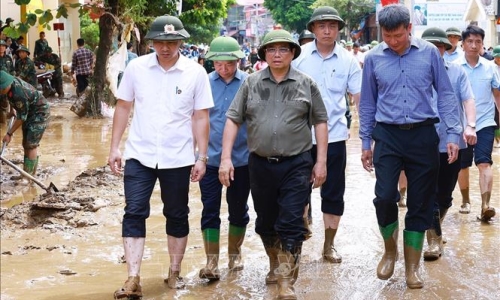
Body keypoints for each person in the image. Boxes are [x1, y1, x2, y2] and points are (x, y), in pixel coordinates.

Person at [108, 15, 213, 299]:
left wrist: (202, 157)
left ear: (180, 41)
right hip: (139, 154)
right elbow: (123, 106)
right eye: (160, 42)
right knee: (134, 211)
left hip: (178, 157)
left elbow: (201, 116)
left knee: (177, 213)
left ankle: (174, 272)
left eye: (171, 42)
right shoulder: (136, 68)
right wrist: (114, 147)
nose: (165, 47)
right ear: (152, 42)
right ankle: (133, 278)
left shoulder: (195, 73)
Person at [219, 29, 328, 300]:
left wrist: (321, 162)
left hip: (297, 163)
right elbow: (233, 119)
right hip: (260, 164)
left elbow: (320, 122)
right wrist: (225, 158)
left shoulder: (306, 84)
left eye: (283, 49)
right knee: (266, 222)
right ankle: (275, 262)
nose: (277, 54)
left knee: (291, 220)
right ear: (264, 54)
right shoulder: (251, 83)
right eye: (271, 49)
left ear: (292, 53)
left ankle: (286, 282)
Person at [359, 4, 461, 289]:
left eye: (398, 36)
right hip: (388, 135)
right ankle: (390, 252)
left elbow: (445, 94)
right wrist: (365, 141)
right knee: (384, 195)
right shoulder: (373, 58)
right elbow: (367, 102)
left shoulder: (429, 53)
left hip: (423, 134)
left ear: (409, 29)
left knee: (421, 200)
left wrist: (452, 134)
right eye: (387, 36)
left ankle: (412, 268)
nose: (392, 41)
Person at [293, 6, 362, 264]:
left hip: (334, 137)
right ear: (312, 29)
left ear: (338, 30)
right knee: (297, 191)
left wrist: (366, 135)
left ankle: (329, 246)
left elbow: (358, 98)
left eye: (332, 26)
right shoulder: (299, 59)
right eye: (321, 25)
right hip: (300, 138)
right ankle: (296, 241)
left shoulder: (348, 60)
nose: (326, 30)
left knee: (333, 193)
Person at [420, 27, 476, 260]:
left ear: (445, 49)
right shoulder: (413, 73)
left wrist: (470, 125)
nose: (436, 50)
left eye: (440, 46)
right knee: (428, 193)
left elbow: (468, 99)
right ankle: (433, 241)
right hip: (422, 143)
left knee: (445, 195)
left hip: (452, 140)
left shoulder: (457, 72)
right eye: (431, 46)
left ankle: (435, 227)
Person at [197, 36, 250, 281]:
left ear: (238, 60)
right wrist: (198, 155)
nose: (224, 68)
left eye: (228, 63)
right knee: (209, 209)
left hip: (242, 159)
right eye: (218, 64)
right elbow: (197, 118)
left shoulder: (249, 83)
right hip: (210, 158)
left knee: (238, 209)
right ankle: (211, 260)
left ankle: (235, 254)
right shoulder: (204, 83)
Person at [455, 25, 500, 221]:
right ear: (462, 44)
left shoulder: (491, 67)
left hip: (485, 122)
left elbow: (497, 96)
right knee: (462, 165)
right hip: (460, 124)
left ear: (482, 44)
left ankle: (485, 205)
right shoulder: (454, 67)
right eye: (470, 41)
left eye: (478, 42)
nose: (474, 45)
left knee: (484, 162)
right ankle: (465, 201)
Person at [0, 70, 50, 178]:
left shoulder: (19, 93)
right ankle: (27, 174)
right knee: (26, 143)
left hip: (39, 113)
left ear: (6, 85)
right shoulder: (11, 86)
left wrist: (9, 133)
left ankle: (29, 177)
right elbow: (10, 97)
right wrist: (12, 110)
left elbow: (22, 117)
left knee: (31, 144)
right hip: (29, 112)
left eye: (1, 89)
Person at [493, 45, 500, 148]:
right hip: (493, 99)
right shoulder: (490, 67)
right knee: (496, 119)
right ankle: (497, 140)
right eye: (498, 57)